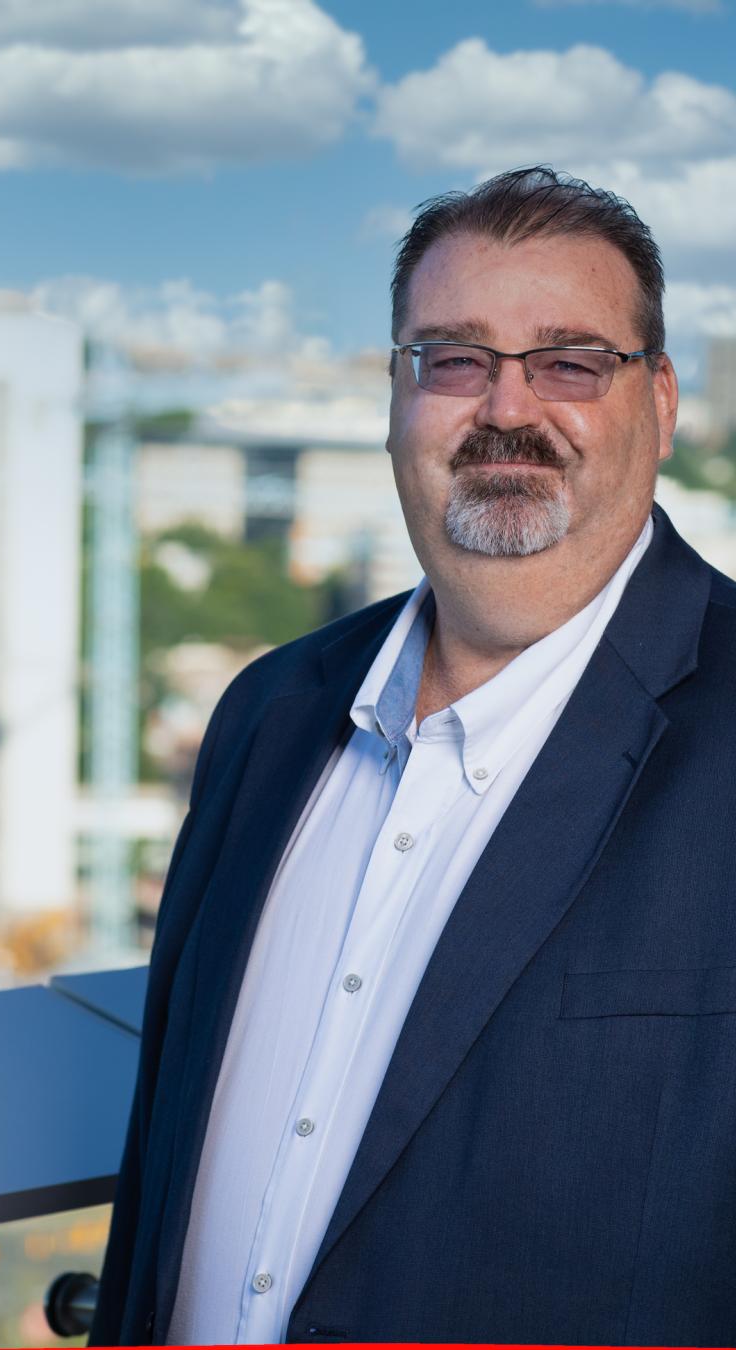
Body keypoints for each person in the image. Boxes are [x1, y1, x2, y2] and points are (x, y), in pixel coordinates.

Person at [90, 166, 736, 1348]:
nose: (505, 408)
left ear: (661, 401)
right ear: (396, 397)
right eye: (452, 358)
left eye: (570, 361)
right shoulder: (266, 716)